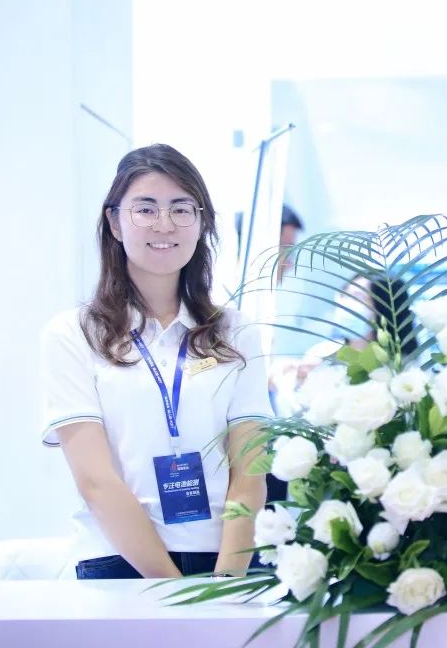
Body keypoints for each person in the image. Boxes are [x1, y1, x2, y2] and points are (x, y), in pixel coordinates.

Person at [41, 144, 273, 579]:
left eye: (181, 209)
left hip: (227, 560)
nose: (164, 224)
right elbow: (95, 481)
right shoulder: (74, 334)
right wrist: (173, 591)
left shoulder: (236, 332)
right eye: (145, 209)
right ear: (114, 222)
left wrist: (226, 579)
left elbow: (250, 470)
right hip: (118, 562)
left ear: (201, 223)